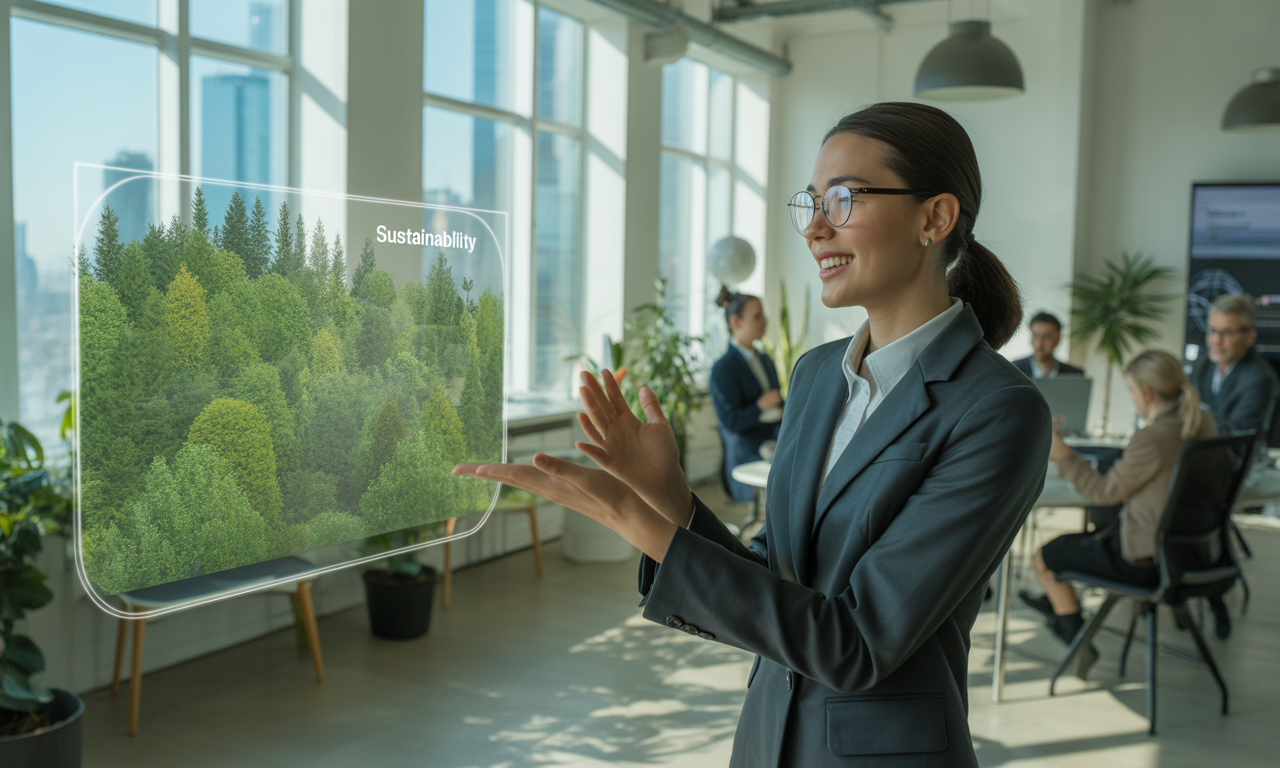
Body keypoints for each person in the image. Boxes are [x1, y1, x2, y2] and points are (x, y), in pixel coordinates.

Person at [456, 102, 1050, 767]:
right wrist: (668, 500)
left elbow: (858, 643)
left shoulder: (998, 410)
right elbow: (779, 578)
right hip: (768, 736)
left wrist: (634, 521)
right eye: (812, 203)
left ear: (934, 218)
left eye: (844, 199)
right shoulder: (817, 374)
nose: (815, 228)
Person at [1022, 349, 1218, 668]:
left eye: (1131, 390)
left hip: (1147, 563)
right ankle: (1056, 607)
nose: (1132, 398)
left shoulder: (1152, 438)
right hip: (1194, 555)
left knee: (1045, 556)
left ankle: (1074, 636)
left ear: (1147, 392)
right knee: (1096, 535)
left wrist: (1063, 455)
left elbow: (1104, 493)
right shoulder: (1203, 422)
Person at [710, 291, 783, 502]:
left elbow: (778, 404)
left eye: (763, 315)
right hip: (749, 453)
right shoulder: (723, 369)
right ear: (736, 322)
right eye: (757, 317)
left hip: (776, 444)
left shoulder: (766, 360)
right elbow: (731, 421)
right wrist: (759, 407)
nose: (765, 322)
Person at [1191, 294, 1278, 439]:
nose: (1216, 340)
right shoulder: (1202, 364)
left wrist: (1187, 427)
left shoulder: (1259, 378)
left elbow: (1237, 433)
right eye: (1212, 330)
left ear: (1249, 337)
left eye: (1227, 333)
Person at [1012, 312, 1084, 378]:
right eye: (1035, 335)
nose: (1039, 344)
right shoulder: (1013, 371)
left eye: (1046, 337)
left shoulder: (1075, 375)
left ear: (1057, 340)